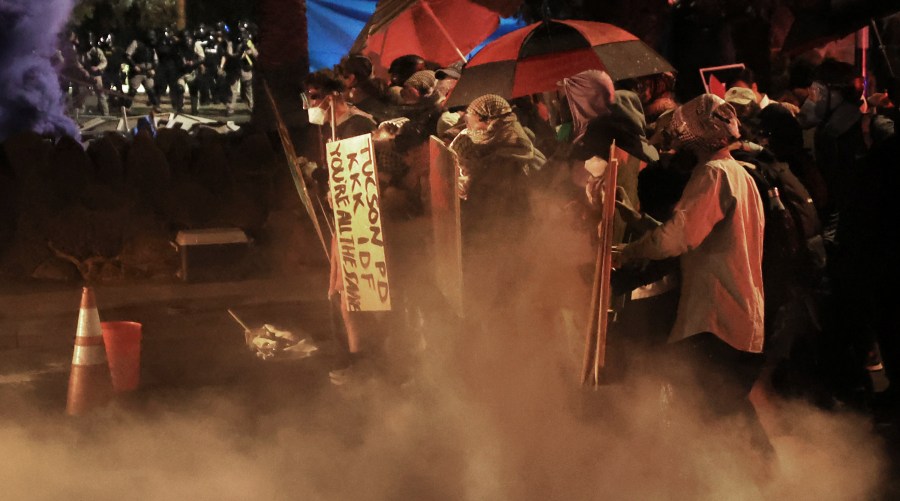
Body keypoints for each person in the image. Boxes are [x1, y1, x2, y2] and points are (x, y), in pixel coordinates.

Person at [613, 94, 772, 460]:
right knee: (729, 417)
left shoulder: (713, 174)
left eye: (678, 138)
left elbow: (678, 238)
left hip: (716, 318)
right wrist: (635, 220)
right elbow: (693, 232)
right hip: (741, 316)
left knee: (710, 422)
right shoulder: (741, 174)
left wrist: (629, 252)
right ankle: (768, 479)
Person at [124, 30, 161, 112]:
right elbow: (127, 55)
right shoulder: (136, 43)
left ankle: (156, 107)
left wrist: (153, 69)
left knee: (151, 91)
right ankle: (126, 108)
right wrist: (134, 66)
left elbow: (156, 60)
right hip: (137, 71)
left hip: (148, 72)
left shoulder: (152, 47)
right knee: (132, 91)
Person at [81, 33, 109, 116]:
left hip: (96, 76)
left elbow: (104, 62)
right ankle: (81, 112)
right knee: (83, 93)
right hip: (86, 75)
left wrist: (98, 67)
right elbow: (82, 62)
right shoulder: (84, 52)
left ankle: (105, 113)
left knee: (100, 94)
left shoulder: (97, 51)